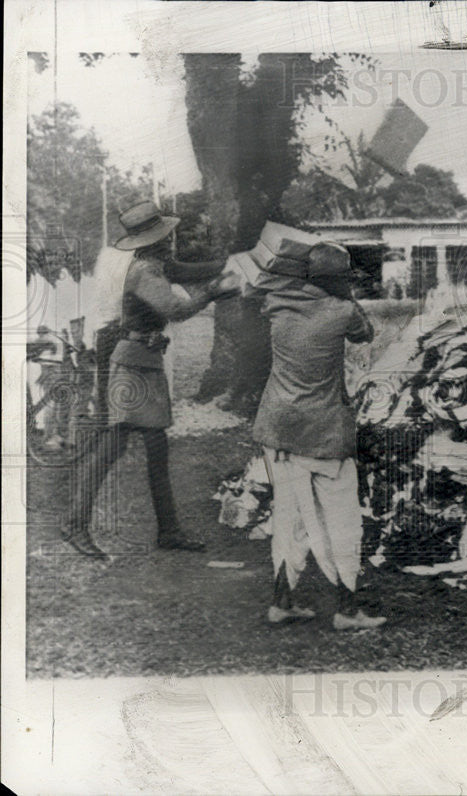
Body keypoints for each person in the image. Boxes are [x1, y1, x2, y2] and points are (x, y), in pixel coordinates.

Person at [61, 201, 239, 559]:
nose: (170, 240)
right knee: (112, 446)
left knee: (156, 449)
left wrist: (227, 265)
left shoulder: (154, 264)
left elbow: (181, 269)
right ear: (155, 240)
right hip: (131, 363)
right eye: (165, 236)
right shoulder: (144, 271)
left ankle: (169, 530)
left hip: (145, 362)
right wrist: (214, 292)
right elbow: (177, 310)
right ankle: (74, 524)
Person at [252, 241, 386, 630]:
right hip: (323, 431)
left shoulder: (277, 306)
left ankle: (281, 601)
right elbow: (366, 332)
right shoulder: (342, 311)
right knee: (342, 520)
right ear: (337, 281)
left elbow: (276, 287)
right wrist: (345, 292)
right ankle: (347, 609)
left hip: (277, 427)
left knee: (288, 515)